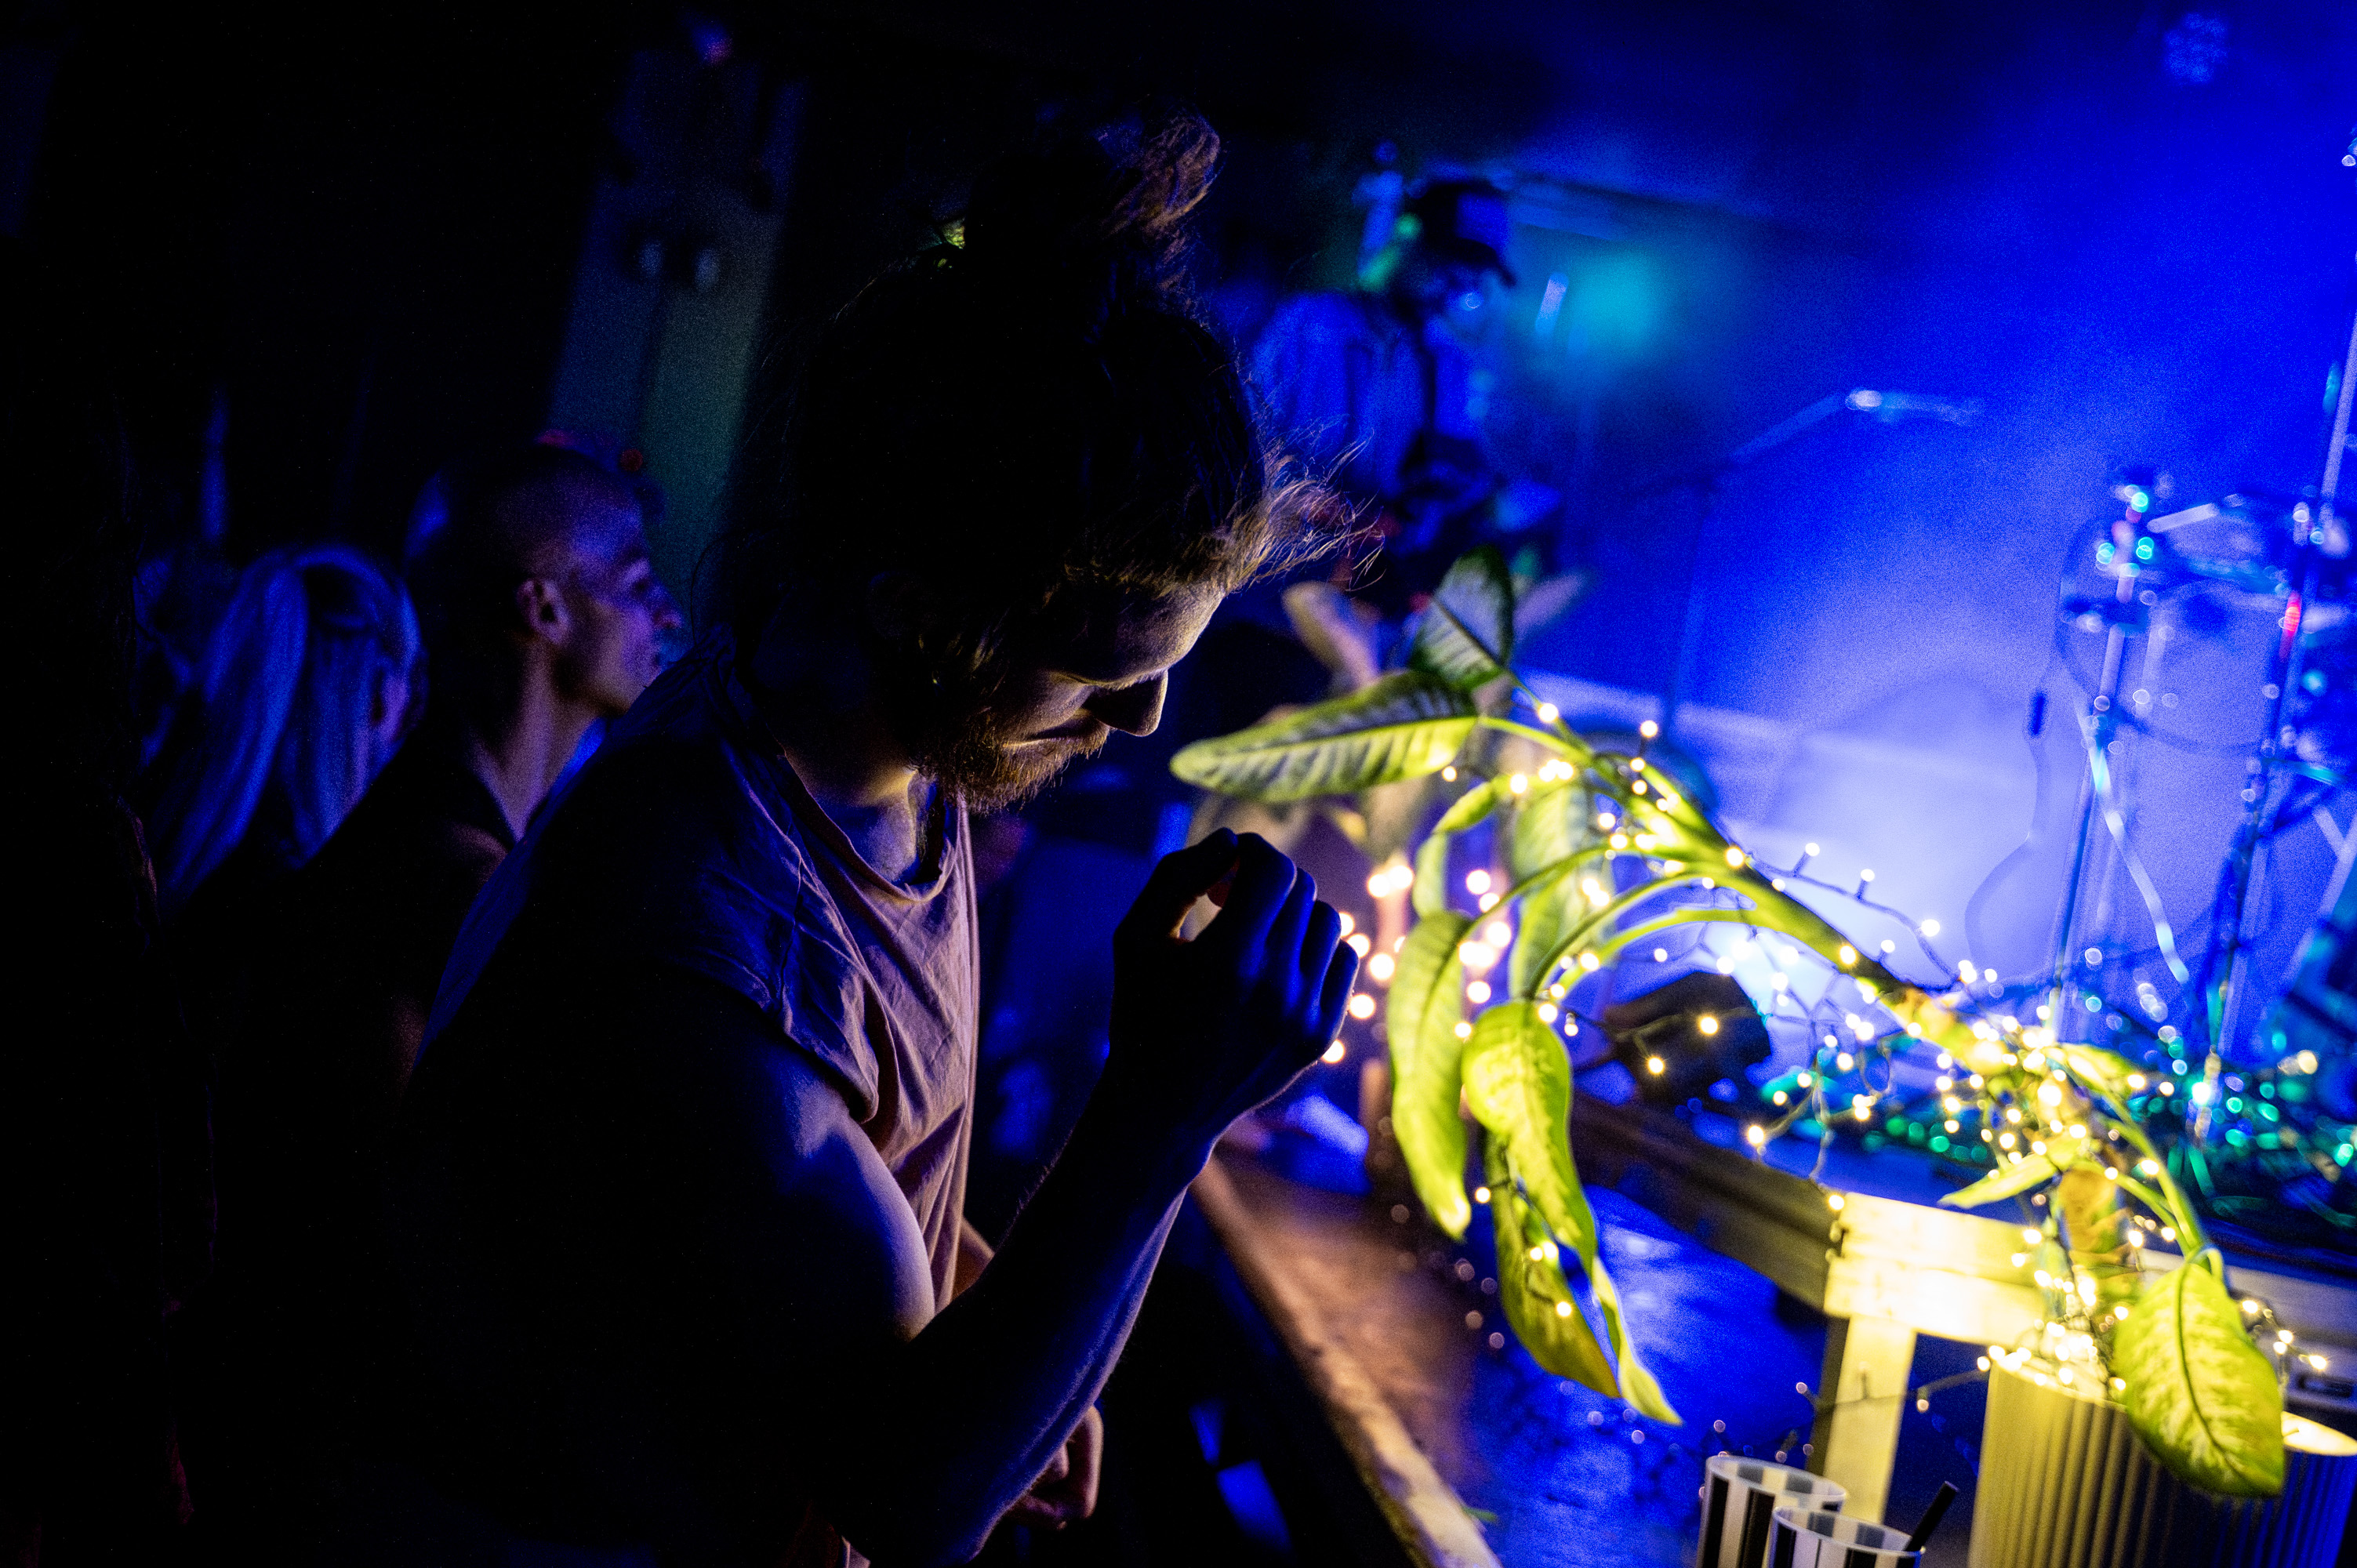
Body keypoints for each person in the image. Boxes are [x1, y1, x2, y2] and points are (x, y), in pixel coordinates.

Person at [378, 112, 1353, 1565]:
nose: (1142, 718)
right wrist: (1163, 1109)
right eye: (1095, 674)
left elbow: (835, 1205)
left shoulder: (888, 750)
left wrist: (981, 1298)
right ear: (918, 610)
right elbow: (914, 1499)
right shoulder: (700, 940)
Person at [181, 444, 680, 1559]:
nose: (667, 615)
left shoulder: (438, 851)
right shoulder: (446, 887)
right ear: (543, 608)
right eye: (638, 582)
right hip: (334, 1490)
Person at [1249, 176, 1527, 612]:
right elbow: (1241, 452)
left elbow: (1440, 484)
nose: (1457, 289)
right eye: (1448, 265)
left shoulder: (1449, 364)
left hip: (1358, 598)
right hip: (1263, 575)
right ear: (1407, 235)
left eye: (1471, 278)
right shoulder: (1304, 325)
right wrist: (1333, 512)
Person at [141, 543, 419, 920]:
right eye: (410, 676)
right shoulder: (306, 899)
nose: (410, 709)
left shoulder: (165, 818)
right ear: (378, 695)